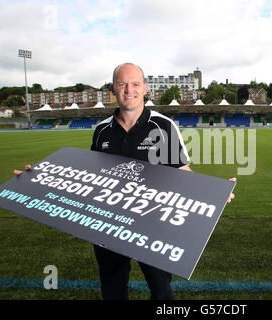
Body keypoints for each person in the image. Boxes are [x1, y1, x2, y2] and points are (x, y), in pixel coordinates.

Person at [15, 62, 235, 300]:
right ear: (113, 88)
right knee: (112, 290)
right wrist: (36, 177)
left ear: (145, 88)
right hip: (108, 222)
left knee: (162, 292)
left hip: (154, 224)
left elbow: (182, 170)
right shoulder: (101, 130)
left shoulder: (163, 126)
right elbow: (87, 174)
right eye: (122, 84)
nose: (129, 89)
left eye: (135, 84)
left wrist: (213, 193)